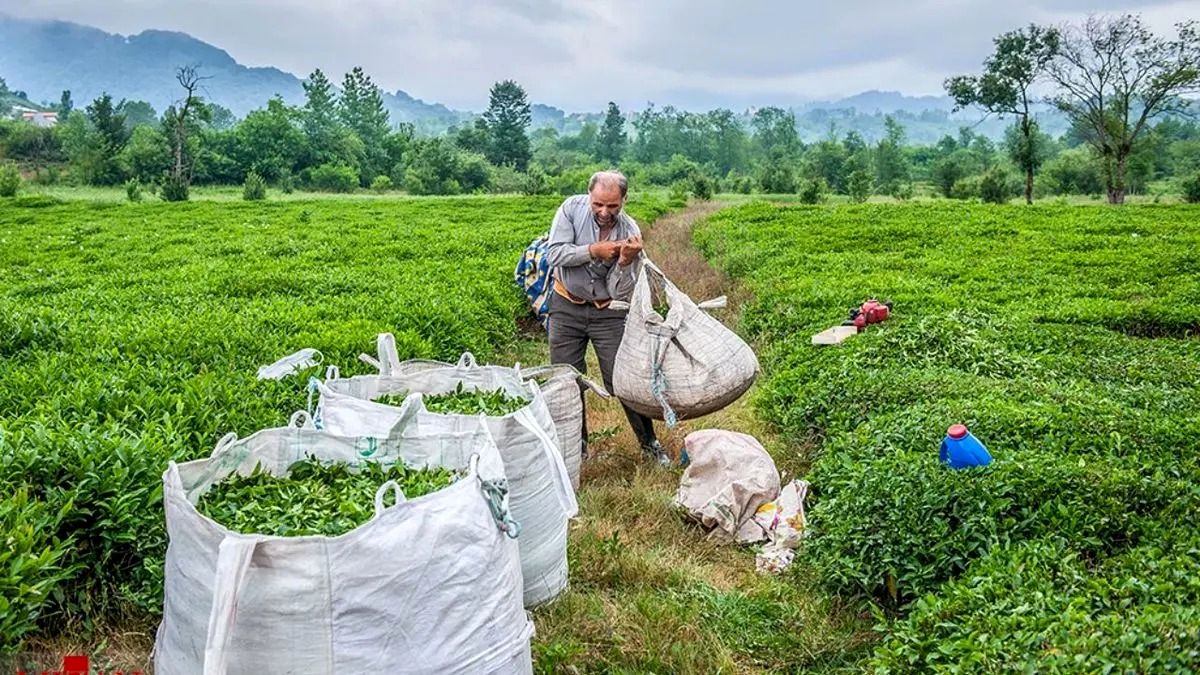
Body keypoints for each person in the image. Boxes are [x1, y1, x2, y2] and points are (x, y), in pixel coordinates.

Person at [546, 170, 670, 465]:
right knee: (566, 381)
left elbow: (620, 290)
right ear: (590, 196)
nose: (604, 212)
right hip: (566, 307)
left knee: (624, 380)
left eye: (612, 206)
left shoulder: (630, 231)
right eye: (598, 204)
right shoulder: (570, 210)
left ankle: (650, 445)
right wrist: (594, 251)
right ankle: (577, 448)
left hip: (607, 313)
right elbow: (555, 255)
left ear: (624, 200)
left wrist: (625, 262)